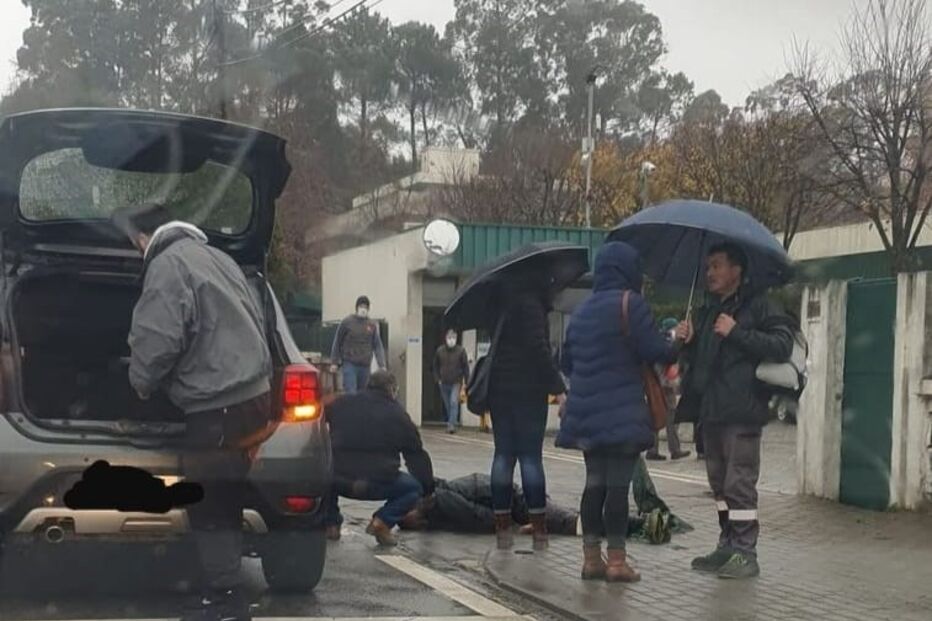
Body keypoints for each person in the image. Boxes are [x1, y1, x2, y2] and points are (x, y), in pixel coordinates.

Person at [117, 205, 273, 621]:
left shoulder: (168, 265)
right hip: (252, 397)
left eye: (135, 241)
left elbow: (157, 339)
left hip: (220, 403)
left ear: (143, 237)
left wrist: (138, 384)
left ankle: (224, 599)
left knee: (211, 501)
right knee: (226, 494)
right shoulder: (218, 257)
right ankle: (224, 593)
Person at [557, 242, 681, 583]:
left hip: (585, 414)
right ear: (629, 271)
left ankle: (590, 560)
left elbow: (565, 361)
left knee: (593, 485)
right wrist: (679, 340)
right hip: (623, 414)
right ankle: (616, 562)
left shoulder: (581, 312)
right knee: (617, 488)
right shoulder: (631, 304)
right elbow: (657, 350)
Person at [676, 242, 794, 580]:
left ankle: (745, 551)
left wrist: (737, 331)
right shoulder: (708, 310)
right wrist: (686, 341)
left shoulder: (759, 305)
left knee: (739, 481)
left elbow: (781, 344)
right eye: (709, 266)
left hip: (742, 408)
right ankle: (727, 544)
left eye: (717, 266)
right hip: (711, 409)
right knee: (719, 485)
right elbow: (697, 360)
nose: (710, 273)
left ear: (736, 271)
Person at [488, 271, 567, 551]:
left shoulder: (501, 304)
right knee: (531, 458)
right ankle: (539, 526)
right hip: (528, 392)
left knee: (503, 455)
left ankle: (501, 524)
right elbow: (538, 349)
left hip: (499, 390)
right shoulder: (531, 305)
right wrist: (558, 388)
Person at [324, 370, 435, 547]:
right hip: (378, 482)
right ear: (392, 390)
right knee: (413, 488)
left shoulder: (342, 403)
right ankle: (382, 522)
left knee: (322, 476)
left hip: (339, 480)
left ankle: (330, 524)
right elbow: (416, 456)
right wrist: (428, 489)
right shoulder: (399, 415)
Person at [398, 473, 579, 536]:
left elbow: (475, 516)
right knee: (554, 513)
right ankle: (593, 518)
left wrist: (514, 528)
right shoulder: (430, 498)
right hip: (493, 491)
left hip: (498, 496)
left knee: (568, 522)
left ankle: (594, 523)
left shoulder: (436, 502)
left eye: (408, 522)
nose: (414, 527)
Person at [646, 318, 691, 461]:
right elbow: (667, 363)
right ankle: (674, 449)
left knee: (656, 415)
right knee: (671, 418)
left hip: (656, 385)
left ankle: (652, 449)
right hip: (665, 385)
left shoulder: (656, 341)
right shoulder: (667, 343)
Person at [330, 296, 386, 394]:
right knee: (351, 393)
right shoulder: (347, 322)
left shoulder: (371, 325)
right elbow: (337, 341)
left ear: (368, 309)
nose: (363, 309)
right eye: (361, 306)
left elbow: (377, 345)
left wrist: (382, 364)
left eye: (365, 307)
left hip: (365, 366)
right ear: (357, 307)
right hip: (350, 364)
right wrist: (334, 362)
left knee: (363, 394)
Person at [432, 329, 470, 433]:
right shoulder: (440, 351)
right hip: (443, 382)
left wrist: (466, 382)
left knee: (453, 402)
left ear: (456, 339)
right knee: (447, 404)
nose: (451, 340)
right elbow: (435, 365)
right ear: (445, 338)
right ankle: (451, 421)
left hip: (456, 382)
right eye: (449, 338)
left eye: (453, 338)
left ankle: (451, 425)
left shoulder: (461, 351)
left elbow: (465, 367)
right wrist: (437, 379)